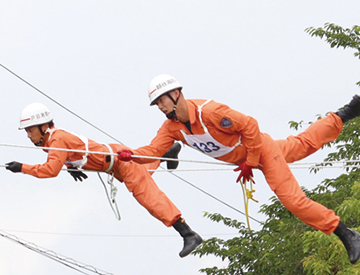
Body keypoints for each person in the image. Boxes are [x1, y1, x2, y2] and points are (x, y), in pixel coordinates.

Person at [117, 74, 360, 264]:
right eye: (156, 103)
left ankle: (346, 234)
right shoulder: (171, 128)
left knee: (293, 201)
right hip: (253, 155)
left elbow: (250, 125)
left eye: (161, 100)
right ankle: (346, 113)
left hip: (261, 151)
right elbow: (153, 151)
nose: (159, 106)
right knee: (303, 144)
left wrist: (251, 161)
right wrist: (130, 156)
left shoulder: (210, 112)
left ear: (176, 94)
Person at [5, 102, 202, 258]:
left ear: (43, 126)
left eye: (30, 130)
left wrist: (22, 168)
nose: (28, 135)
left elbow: (50, 170)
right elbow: (67, 155)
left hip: (119, 162)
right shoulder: (52, 141)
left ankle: (188, 233)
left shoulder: (56, 139)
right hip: (115, 163)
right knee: (143, 173)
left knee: (148, 197)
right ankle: (168, 152)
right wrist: (71, 166)